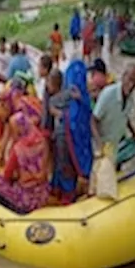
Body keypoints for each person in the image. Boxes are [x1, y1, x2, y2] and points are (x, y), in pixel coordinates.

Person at [0, 112, 52, 213]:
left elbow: (7, 175)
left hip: (27, 198)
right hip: (42, 193)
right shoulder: (42, 140)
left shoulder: (18, 149)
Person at [52, 60, 93, 202]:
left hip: (66, 141)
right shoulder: (84, 98)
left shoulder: (79, 98)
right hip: (72, 144)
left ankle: (68, 193)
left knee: (65, 166)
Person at [92, 64, 135, 170]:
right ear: (123, 77)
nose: (131, 84)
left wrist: (134, 133)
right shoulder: (108, 94)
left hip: (114, 146)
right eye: (130, 79)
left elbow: (124, 116)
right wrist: (99, 144)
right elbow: (93, 121)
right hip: (101, 146)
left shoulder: (130, 99)